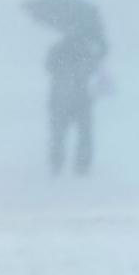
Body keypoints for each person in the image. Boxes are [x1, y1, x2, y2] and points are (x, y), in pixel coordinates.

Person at [46, 28, 107, 176]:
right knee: (83, 134)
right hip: (80, 99)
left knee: (59, 134)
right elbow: (93, 69)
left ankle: (57, 163)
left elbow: (48, 67)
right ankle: (81, 165)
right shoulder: (85, 49)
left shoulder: (57, 49)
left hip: (61, 98)